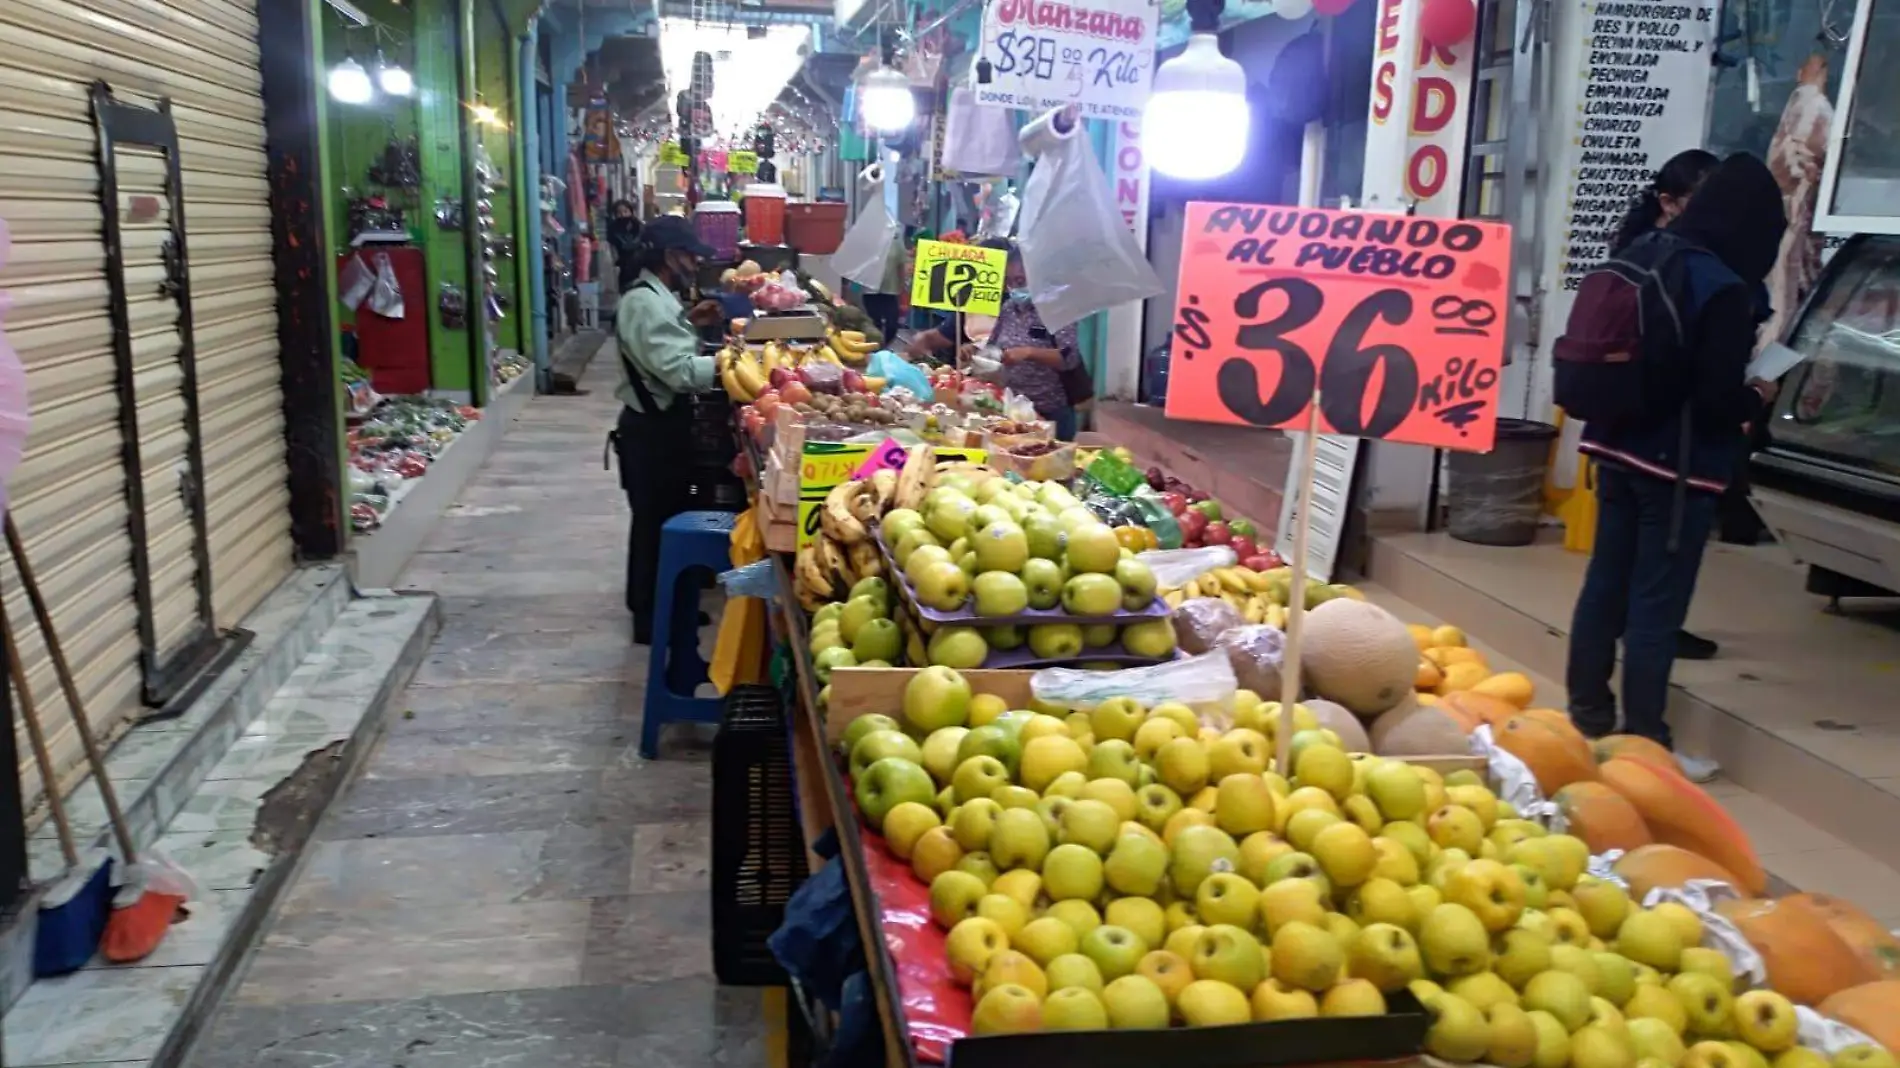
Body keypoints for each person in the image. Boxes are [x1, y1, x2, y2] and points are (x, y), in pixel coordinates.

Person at [1565, 153, 1787, 781]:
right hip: (1677, 467)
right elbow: (1717, 402)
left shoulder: (1646, 250)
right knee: (1656, 609)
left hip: (1613, 449)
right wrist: (1757, 397)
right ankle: (1648, 749)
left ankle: (1586, 720)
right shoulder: (1723, 287)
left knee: (1604, 587)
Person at [1605, 150, 1725, 660]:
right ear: (1670, 202)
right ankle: (1645, 716)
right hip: (1661, 436)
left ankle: (1595, 687)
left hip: (1617, 431)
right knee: (1655, 558)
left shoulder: (1634, 254)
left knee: (1612, 568)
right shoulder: (1678, 264)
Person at [610, 216, 725, 644]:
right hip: (650, 431)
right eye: (689, 254)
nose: (695, 262)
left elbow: (660, 345)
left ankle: (672, 605)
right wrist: (731, 366)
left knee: (669, 517)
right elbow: (677, 371)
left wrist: (691, 323)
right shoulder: (642, 301)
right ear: (667, 256)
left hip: (664, 425)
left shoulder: (658, 298)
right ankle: (649, 617)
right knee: (653, 524)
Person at [904, 242, 1084, 439]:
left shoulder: (1056, 309)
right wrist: (974, 350)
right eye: (1009, 281)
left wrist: (1030, 352)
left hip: (1050, 410)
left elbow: (1069, 357)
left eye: (1020, 280)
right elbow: (994, 347)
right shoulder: (1009, 308)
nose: (1014, 287)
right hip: (1012, 407)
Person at [605, 200, 644, 294]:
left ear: (631, 212)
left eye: (625, 211)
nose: (623, 215)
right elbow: (612, 248)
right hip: (622, 267)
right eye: (619, 213)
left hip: (640, 266)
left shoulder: (638, 226)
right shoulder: (613, 229)